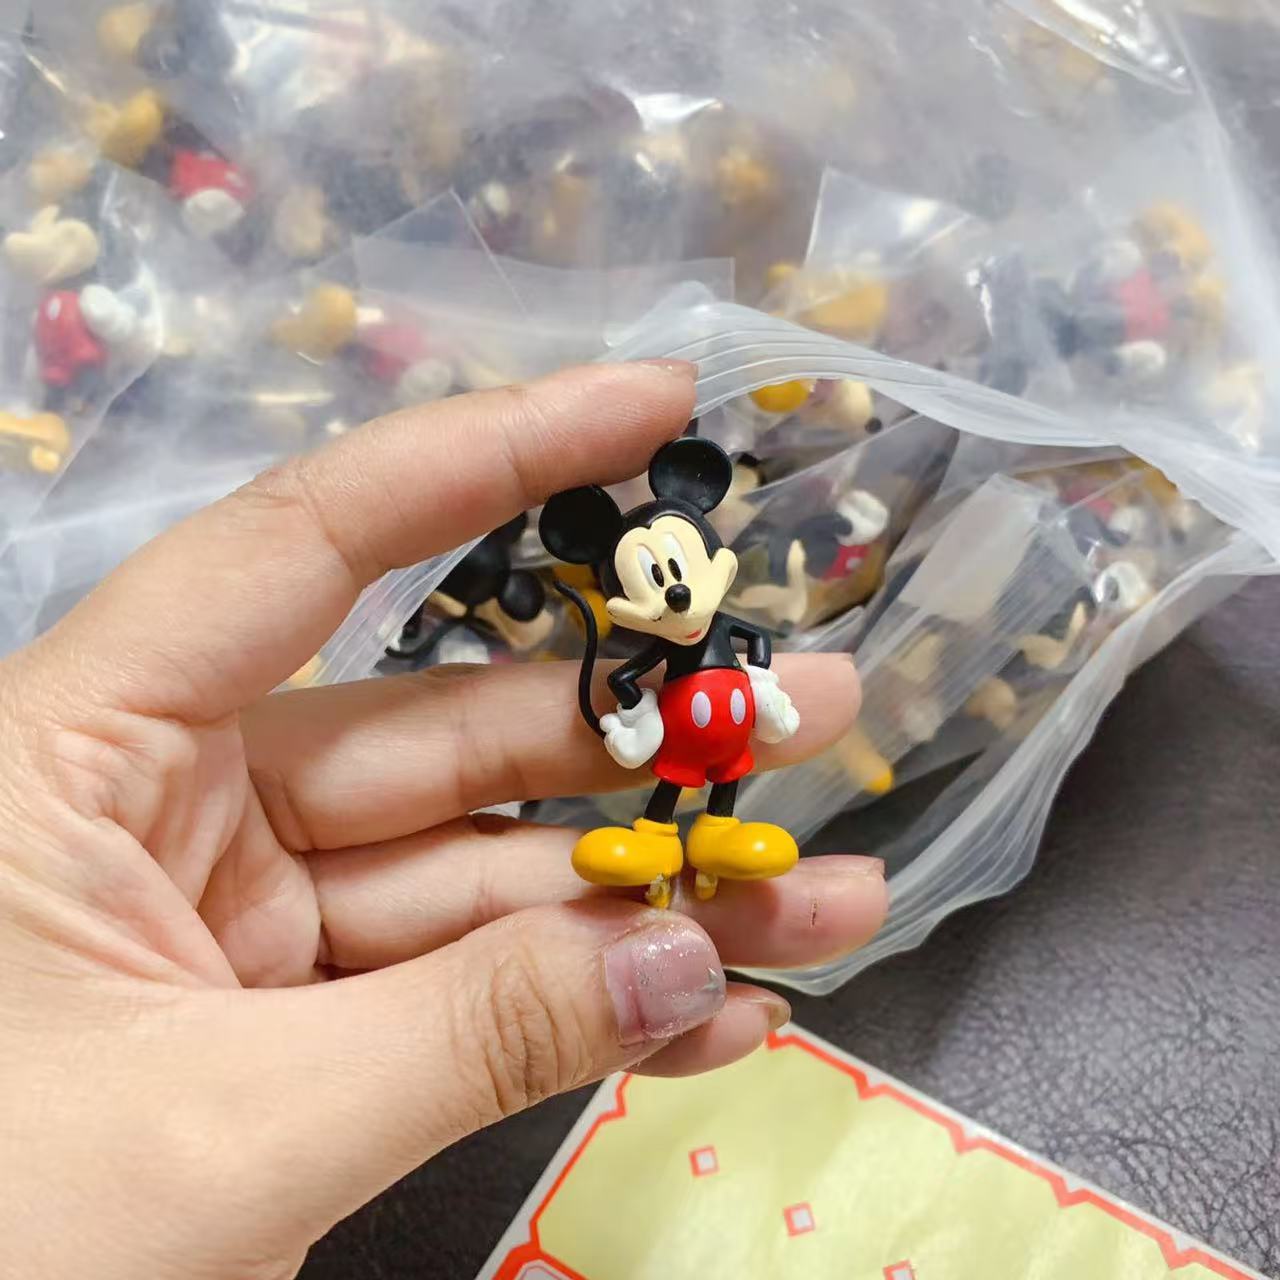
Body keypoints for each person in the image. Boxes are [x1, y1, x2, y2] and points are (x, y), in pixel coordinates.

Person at [0, 360, 886, 1278]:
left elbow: (757, 658)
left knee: (724, 792)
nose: (670, 595)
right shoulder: (643, 662)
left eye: (682, 574)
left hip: (728, 739)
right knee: (664, 797)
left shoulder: (732, 638)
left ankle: (719, 833)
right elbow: (628, 702)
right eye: (650, 582)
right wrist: (630, 722)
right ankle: (661, 840)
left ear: (715, 560)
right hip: (675, 749)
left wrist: (768, 699)